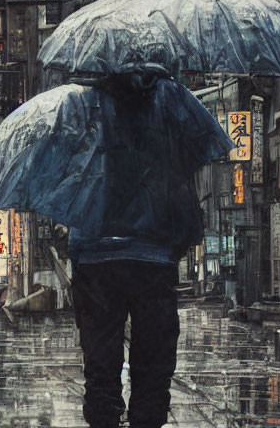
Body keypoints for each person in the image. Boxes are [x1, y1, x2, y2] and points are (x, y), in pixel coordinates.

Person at [67, 76, 209, 428]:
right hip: (154, 254)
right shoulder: (172, 98)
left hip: (96, 256)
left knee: (100, 367)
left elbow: (69, 175)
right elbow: (195, 152)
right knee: (153, 365)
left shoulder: (83, 106)